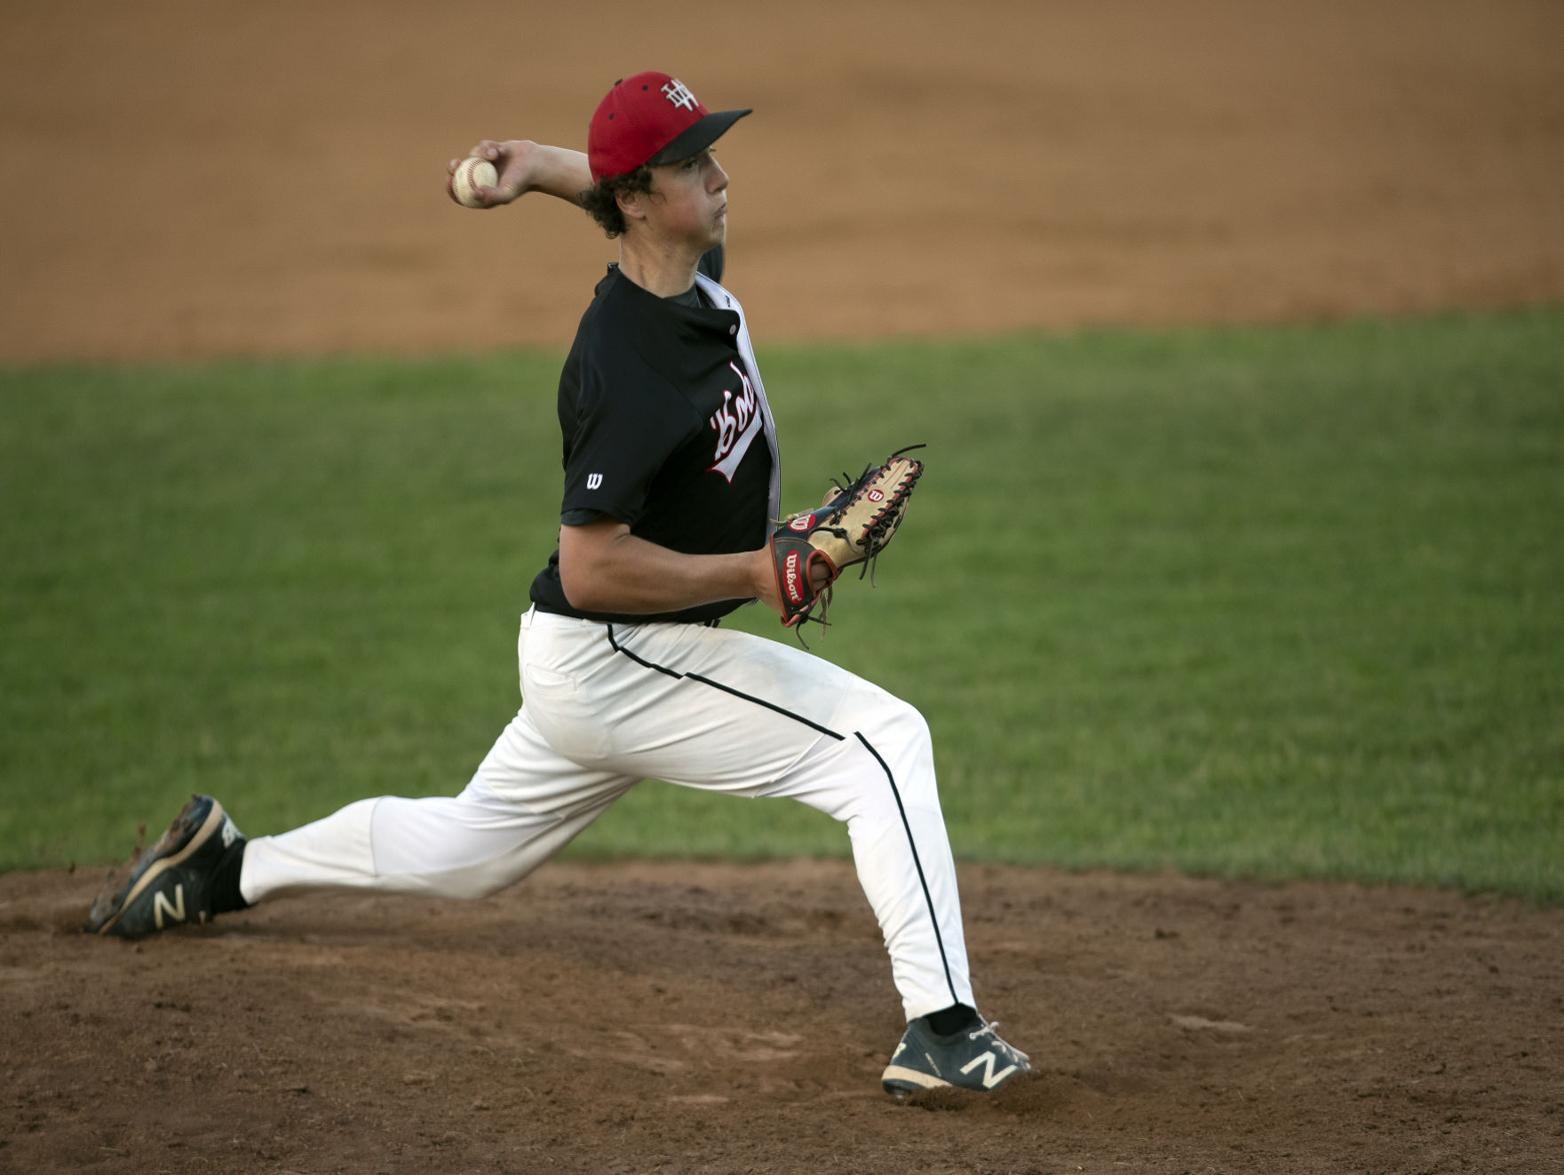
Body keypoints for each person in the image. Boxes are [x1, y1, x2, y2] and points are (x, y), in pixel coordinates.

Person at [85, 71, 1030, 1099]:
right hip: (618, 656)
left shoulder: (689, 272)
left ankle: (230, 866)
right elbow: (589, 560)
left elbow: (620, 188)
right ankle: (940, 1028)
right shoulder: (620, 365)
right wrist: (756, 570)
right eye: (694, 162)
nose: (721, 174)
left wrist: (535, 167)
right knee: (879, 741)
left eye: (712, 150)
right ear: (639, 199)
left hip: (592, 659)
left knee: (464, 852)